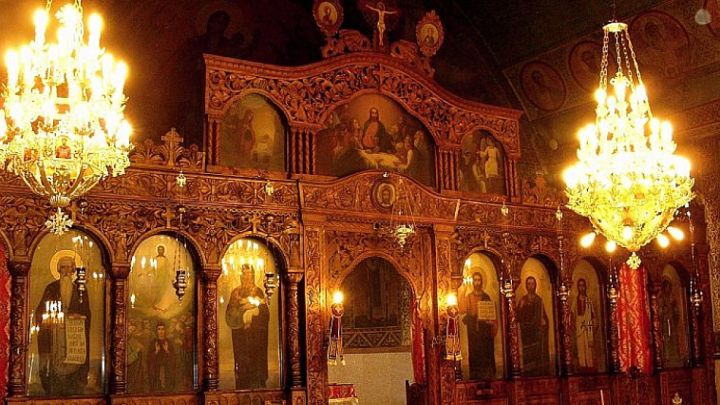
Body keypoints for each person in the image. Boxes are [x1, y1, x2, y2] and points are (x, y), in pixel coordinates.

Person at [35, 256, 91, 395]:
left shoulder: (80, 289)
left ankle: (73, 388)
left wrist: (80, 316)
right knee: (56, 358)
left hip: (74, 332)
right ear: (59, 270)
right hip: (56, 332)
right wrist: (51, 318)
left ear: (73, 270)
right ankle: (55, 388)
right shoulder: (51, 288)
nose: (66, 270)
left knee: (73, 360)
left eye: (69, 267)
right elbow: (42, 310)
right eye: (63, 267)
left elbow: (86, 312)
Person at [226, 264, 270, 389]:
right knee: (242, 365)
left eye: (249, 274)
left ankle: (258, 387)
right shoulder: (235, 293)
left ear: (253, 275)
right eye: (244, 274)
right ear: (241, 276)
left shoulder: (258, 292)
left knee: (256, 364)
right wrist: (243, 313)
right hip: (240, 337)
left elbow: (265, 313)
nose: (247, 277)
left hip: (256, 337)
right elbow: (229, 314)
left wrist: (254, 313)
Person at [458, 272, 498, 379]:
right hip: (473, 331)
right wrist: (463, 292)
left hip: (484, 330)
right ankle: (475, 375)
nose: (477, 282)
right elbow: (461, 310)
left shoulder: (486, 296)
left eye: (479, 280)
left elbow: (491, 313)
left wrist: (491, 322)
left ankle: (487, 374)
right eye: (475, 280)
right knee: (475, 352)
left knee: (485, 352)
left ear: (482, 282)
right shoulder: (469, 297)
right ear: (472, 282)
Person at [517, 276, 550, 376]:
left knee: (536, 353)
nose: (530, 286)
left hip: (535, 331)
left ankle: (537, 371)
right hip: (526, 331)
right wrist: (521, 307)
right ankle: (528, 372)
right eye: (528, 284)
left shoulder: (539, 300)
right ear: (526, 286)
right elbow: (517, 316)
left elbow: (543, 316)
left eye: (532, 284)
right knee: (527, 353)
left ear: (535, 285)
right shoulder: (523, 300)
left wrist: (544, 322)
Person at [572, 278, 597, 372]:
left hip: (588, 326)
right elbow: (572, 313)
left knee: (588, 348)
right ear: (577, 287)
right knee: (580, 347)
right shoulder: (575, 300)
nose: (581, 288)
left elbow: (593, 314)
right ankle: (582, 365)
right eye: (580, 286)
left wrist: (594, 323)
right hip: (579, 326)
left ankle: (589, 366)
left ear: (585, 287)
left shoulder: (588, 300)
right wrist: (572, 323)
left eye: (583, 285)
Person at [147, 322, 176, 392]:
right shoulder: (153, 342)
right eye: (159, 329)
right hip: (156, 371)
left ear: (165, 330)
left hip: (167, 371)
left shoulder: (169, 342)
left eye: (163, 329)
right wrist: (156, 351)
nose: (161, 331)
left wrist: (167, 350)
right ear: (156, 331)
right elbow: (148, 358)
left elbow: (174, 358)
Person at [659, 278, 682, 365]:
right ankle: (667, 357)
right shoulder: (662, 299)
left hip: (672, 323)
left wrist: (674, 312)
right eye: (666, 287)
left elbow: (676, 312)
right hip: (665, 323)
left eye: (669, 287)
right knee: (667, 339)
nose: (668, 289)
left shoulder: (672, 299)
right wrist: (665, 311)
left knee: (674, 339)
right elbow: (660, 311)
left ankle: (675, 356)